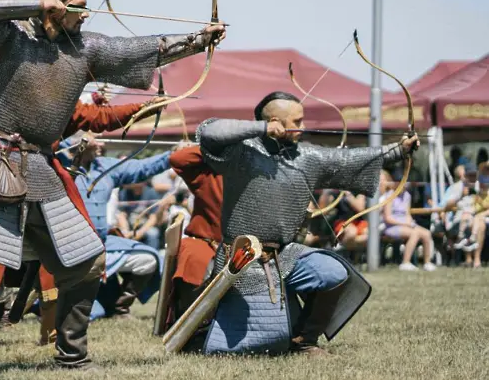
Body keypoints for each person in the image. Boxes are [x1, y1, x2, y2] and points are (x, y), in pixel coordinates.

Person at [0, 0, 226, 378]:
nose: (86, 16)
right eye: (78, 7)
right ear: (54, 5)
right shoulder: (7, 39)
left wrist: (199, 41)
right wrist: (36, 5)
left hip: (44, 169)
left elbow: (142, 49)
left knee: (85, 262)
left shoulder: (84, 49)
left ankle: (72, 354)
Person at [0, 68, 166, 352]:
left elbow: (97, 118)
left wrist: (144, 106)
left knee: (55, 262)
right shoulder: (3, 87)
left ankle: (52, 334)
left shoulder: (60, 103)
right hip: (1, 178)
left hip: (43, 184)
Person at [193, 91, 419, 355]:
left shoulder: (307, 157)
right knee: (240, 344)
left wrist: (399, 150)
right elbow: (209, 132)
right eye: (296, 121)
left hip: (285, 254)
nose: (303, 127)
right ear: (276, 121)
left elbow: (350, 160)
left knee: (333, 272)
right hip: (241, 257)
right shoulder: (239, 153)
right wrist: (262, 128)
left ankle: (306, 341)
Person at [59, 133, 170, 321]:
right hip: (69, 249)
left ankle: (121, 308)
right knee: (92, 312)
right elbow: (51, 147)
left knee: (149, 259)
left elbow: (143, 167)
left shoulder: (105, 166)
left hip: (103, 245)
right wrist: (73, 142)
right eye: (95, 139)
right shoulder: (60, 165)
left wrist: (172, 156)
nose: (101, 144)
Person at [164, 144, 223, 336]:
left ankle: (304, 338)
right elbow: (177, 159)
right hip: (207, 241)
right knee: (193, 258)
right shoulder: (207, 174)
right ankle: (193, 330)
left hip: (251, 246)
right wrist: (218, 142)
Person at [380, 170, 436, 271]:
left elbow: (407, 214)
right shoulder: (389, 196)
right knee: (414, 234)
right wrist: (405, 223)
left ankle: (427, 263)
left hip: (405, 224)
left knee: (426, 233)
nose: (403, 185)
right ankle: (405, 262)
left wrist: (410, 223)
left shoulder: (407, 196)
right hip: (391, 227)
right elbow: (388, 218)